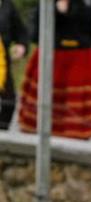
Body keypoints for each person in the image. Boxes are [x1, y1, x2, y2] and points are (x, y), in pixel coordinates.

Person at [17, 0, 91, 140]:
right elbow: (37, 32)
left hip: (81, 55)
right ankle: (46, 133)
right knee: (51, 96)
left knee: (78, 99)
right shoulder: (48, 3)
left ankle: (78, 134)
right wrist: (57, 11)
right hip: (55, 54)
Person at [0, 0, 29, 130]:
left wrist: (22, 45)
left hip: (2, 61)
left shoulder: (7, 5)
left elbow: (21, 32)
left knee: (9, 102)